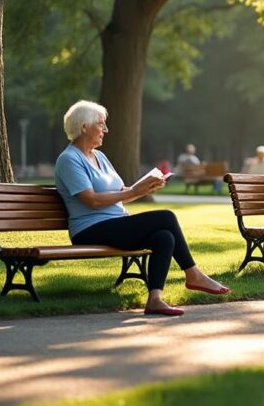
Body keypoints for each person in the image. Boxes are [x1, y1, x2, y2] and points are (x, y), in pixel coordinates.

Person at [54, 100, 229, 316]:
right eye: (101, 124)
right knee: (166, 217)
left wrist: (145, 188)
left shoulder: (99, 156)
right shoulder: (69, 160)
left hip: (113, 225)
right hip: (89, 229)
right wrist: (135, 191)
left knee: (164, 237)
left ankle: (155, 299)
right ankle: (193, 274)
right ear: (84, 127)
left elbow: (121, 193)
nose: (105, 130)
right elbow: (92, 200)